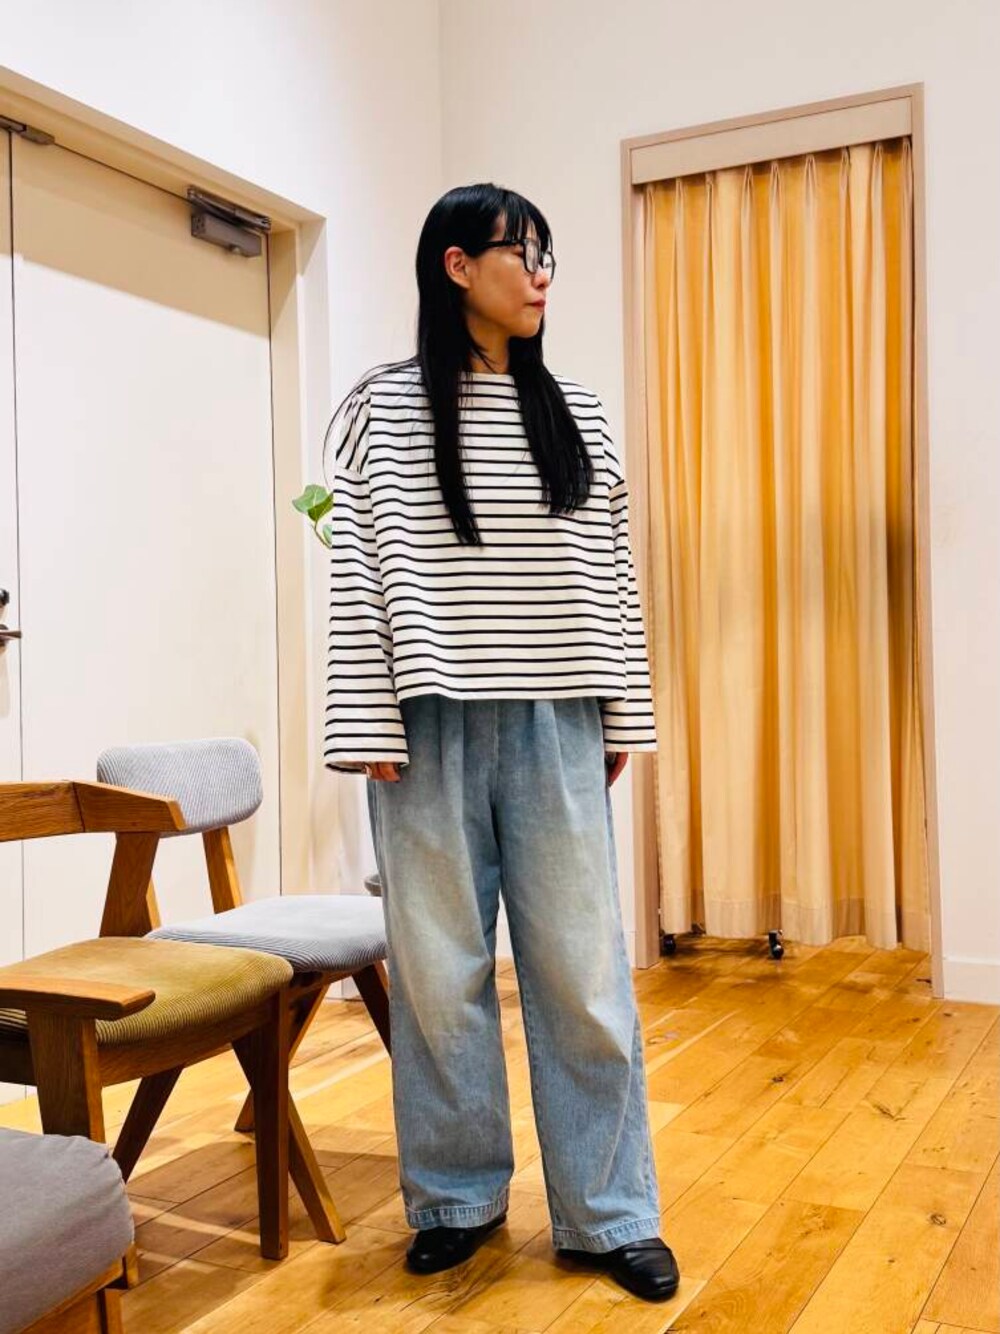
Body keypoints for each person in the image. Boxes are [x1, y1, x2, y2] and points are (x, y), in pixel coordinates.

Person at [322, 183, 679, 1303]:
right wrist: (364, 715)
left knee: (582, 973)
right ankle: (455, 1197)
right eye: (521, 254)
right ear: (456, 266)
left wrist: (623, 712)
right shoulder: (380, 409)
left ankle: (610, 1211)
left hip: (556, 715)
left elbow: (611, 574)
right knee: (439, 979)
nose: (540, 276)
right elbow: (356, 566)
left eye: (546, 257)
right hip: (425, 722)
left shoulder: (578, 411)